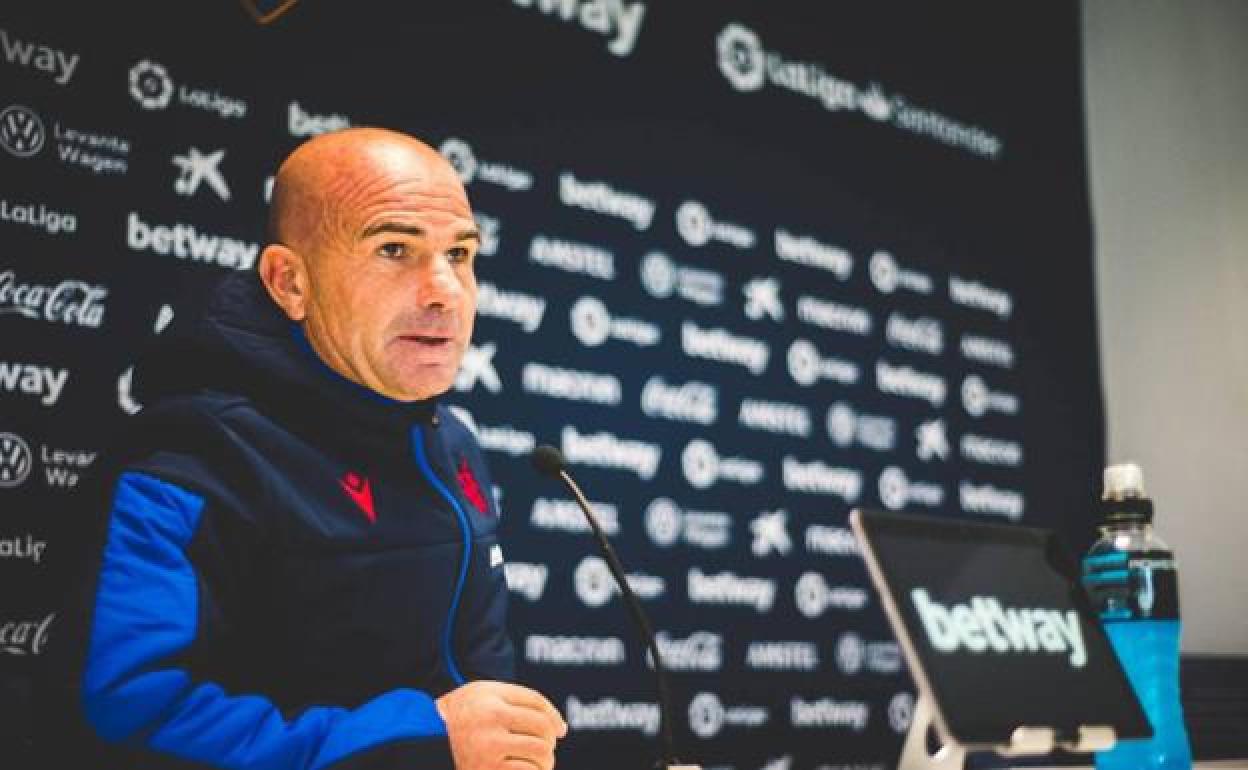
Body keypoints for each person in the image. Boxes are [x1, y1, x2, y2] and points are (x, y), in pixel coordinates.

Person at [70, 127, 567, 769]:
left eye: (461, 255)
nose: (445, 291)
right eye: (395, 249)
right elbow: (125, 715)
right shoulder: (199, 454)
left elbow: (477, 671)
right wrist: (417, 742)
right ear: (289, 282)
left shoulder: (456, 446)